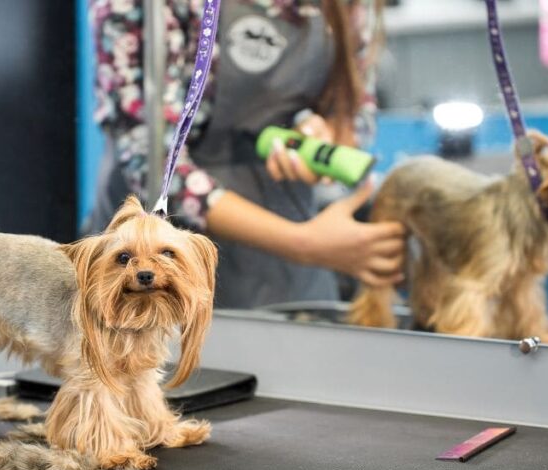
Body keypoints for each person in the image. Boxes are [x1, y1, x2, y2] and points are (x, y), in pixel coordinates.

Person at [86, 0, 405, 308]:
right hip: (157, 263)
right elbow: (152, 159)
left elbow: (353, 113)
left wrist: (316, 134)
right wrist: (302, 243)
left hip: (291, 269)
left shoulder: (344, 6)